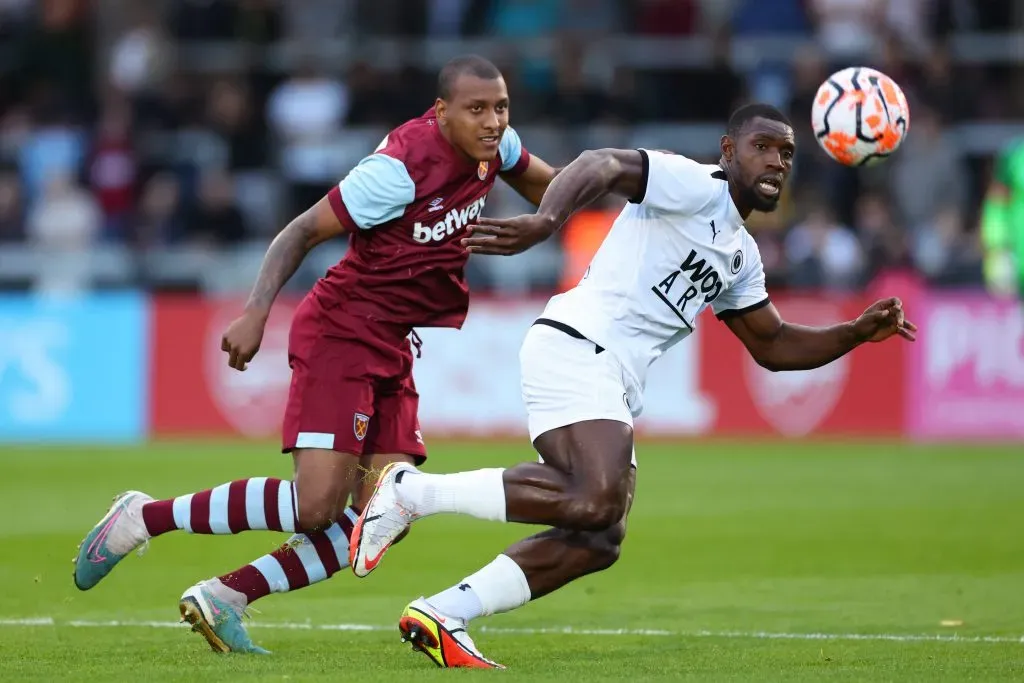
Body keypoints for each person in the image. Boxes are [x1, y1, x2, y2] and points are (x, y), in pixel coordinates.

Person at [347, 103, 917, 669]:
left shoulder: (741, 256)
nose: (775, 161)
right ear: (728, 151)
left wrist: (854, 333)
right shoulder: (695, 184)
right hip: (580, 344)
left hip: (611, 374)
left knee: (600, 537)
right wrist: (547, 221)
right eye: (761, 147)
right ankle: (411, 493)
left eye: (786, 153)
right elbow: (601, 163)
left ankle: (445, 612)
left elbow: (774, 345)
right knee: (595, 498)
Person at [71, 55, 559, 654]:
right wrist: (256, 311)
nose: (492, 121)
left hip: (393, 339)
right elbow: (300, 231)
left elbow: (555, 186)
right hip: (342, 332)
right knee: (315, 507)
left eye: (500, 107)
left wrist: (588, 204)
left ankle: (227, 595)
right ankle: (142, 518)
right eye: (476, 109)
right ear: (441, 111)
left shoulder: (496, 147)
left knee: (387, 513)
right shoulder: (397, 170)